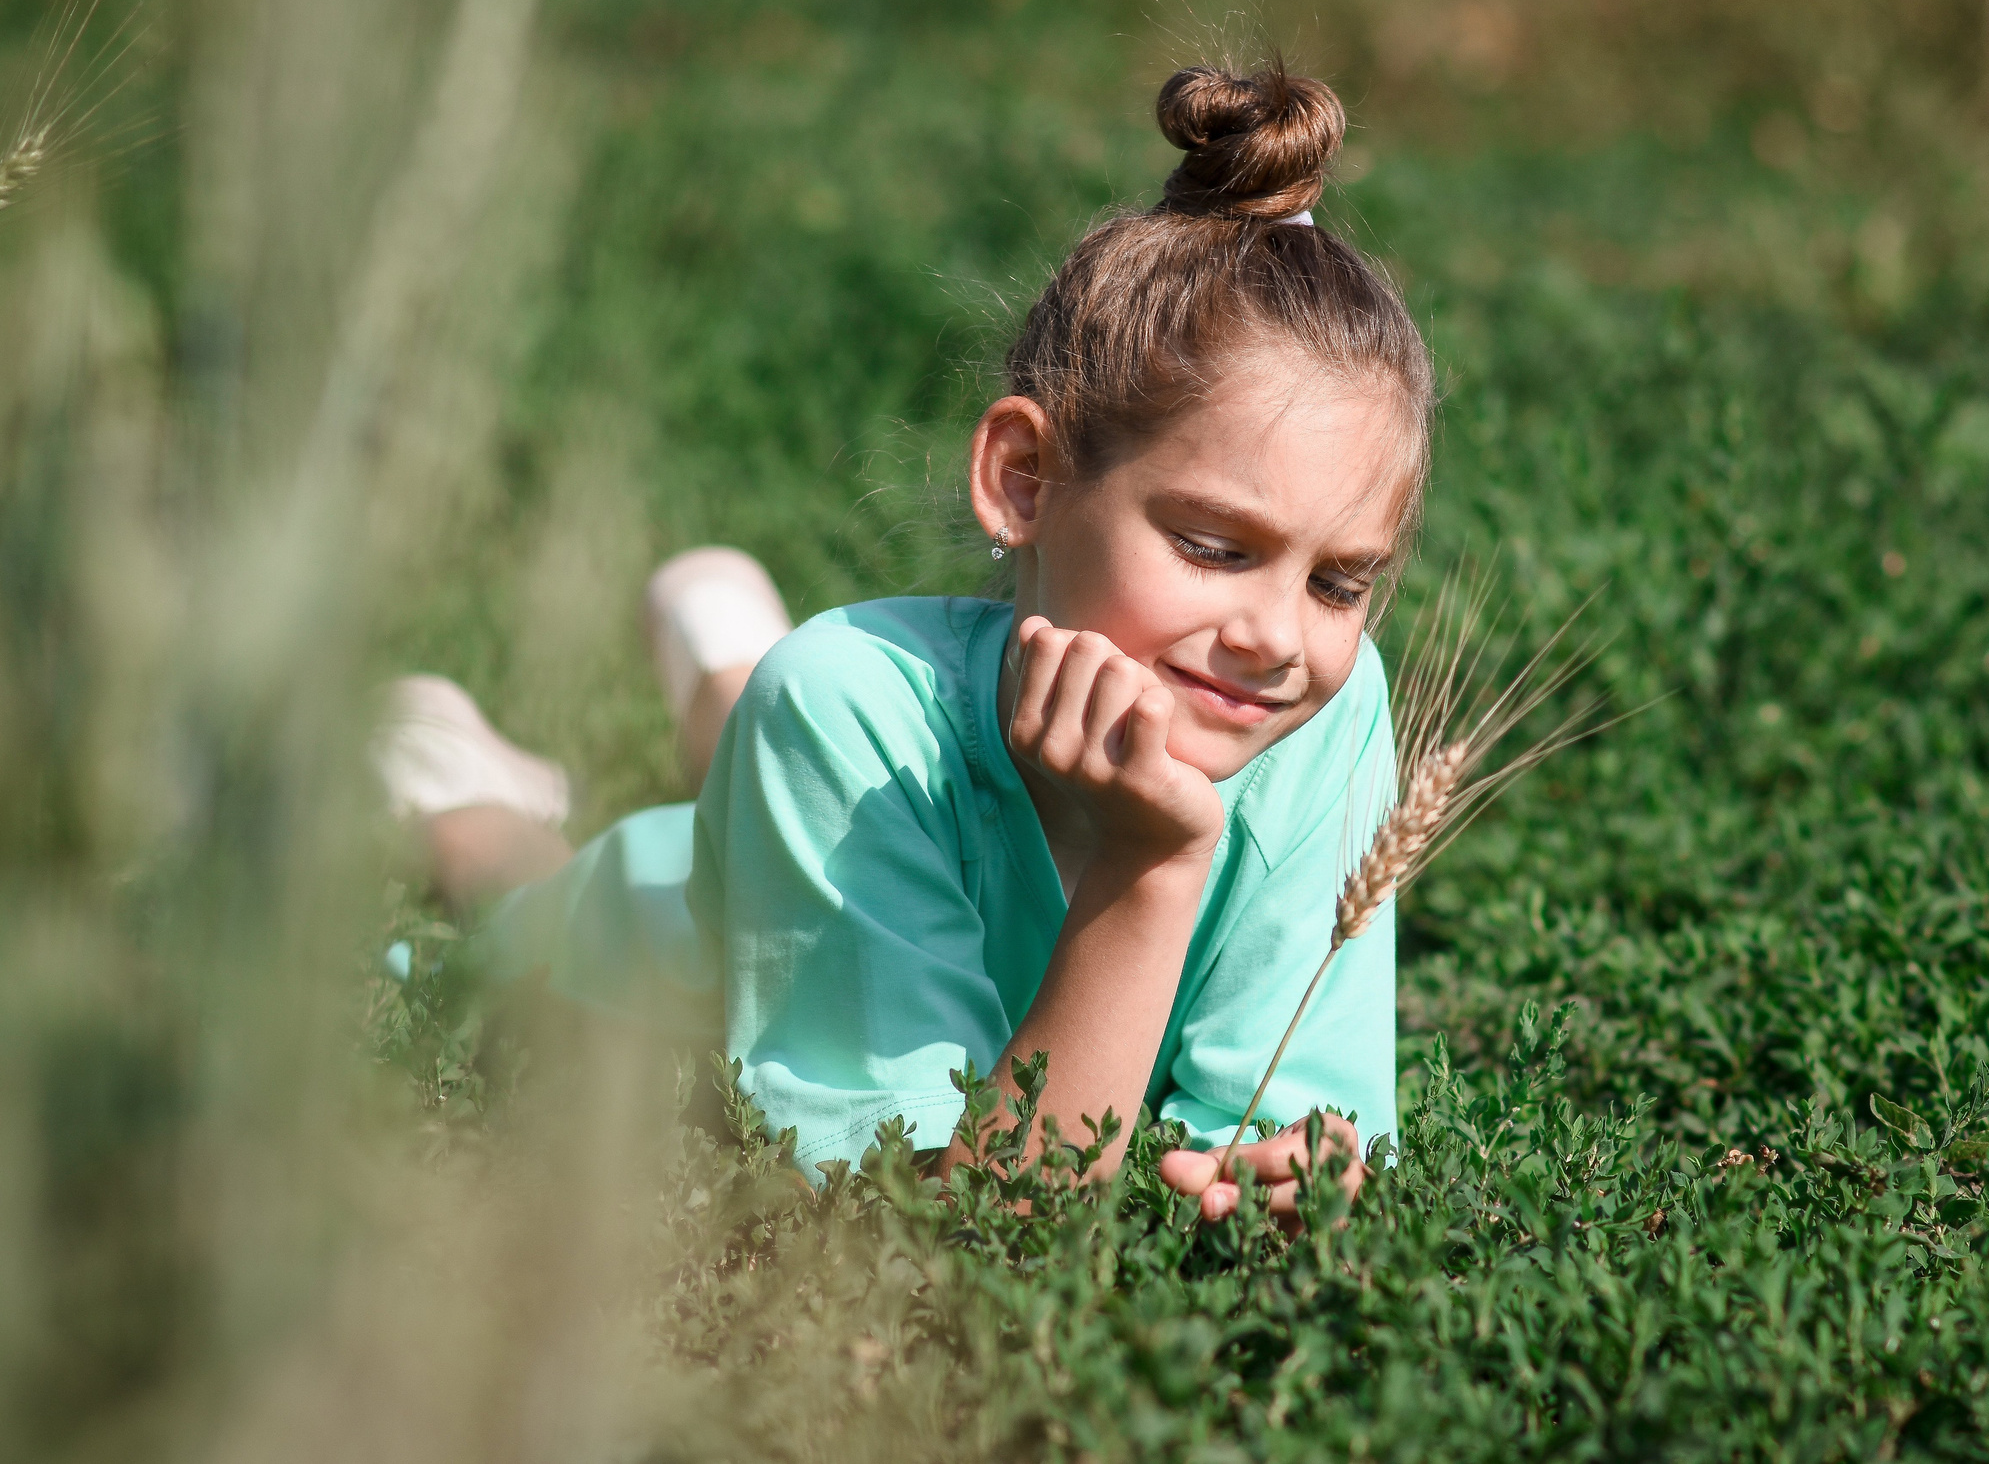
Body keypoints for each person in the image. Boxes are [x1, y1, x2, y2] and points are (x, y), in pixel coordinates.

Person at [372, 62, 1434, 1228]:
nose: (1278, 639)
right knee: (532, 879)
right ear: (1023, 478)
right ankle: (452, 772)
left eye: (1339, 582)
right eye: (1215, 549)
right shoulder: (840, 715)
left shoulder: (1326, 708)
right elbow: (969, 1222)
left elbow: (1277, 1126)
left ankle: (726, 647)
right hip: (692, 927)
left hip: (834, 760)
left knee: (807, 725)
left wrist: (1290, 1169)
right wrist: (1155, 865)